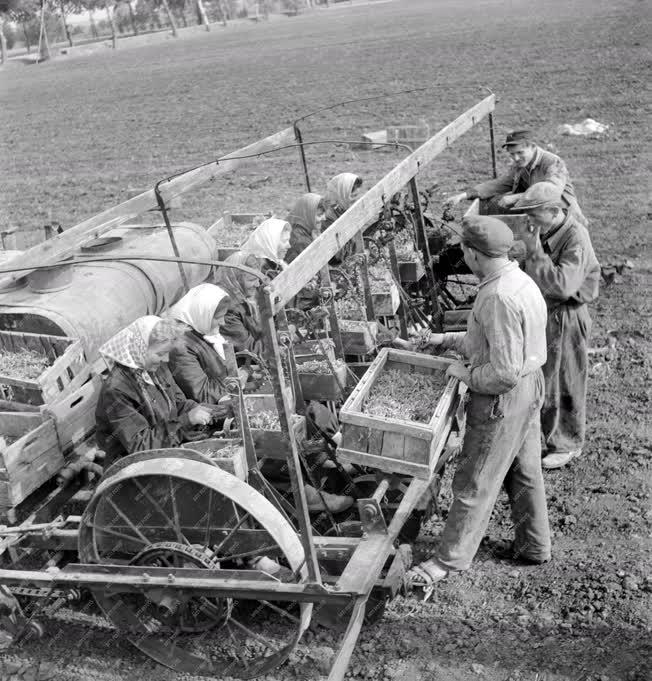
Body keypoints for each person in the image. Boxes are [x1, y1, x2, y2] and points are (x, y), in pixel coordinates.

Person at [404, 215, 551, 587]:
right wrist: (441, 341)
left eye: (463, 250)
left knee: (475, 480)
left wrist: (463, 374)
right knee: (524, 469)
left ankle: (448, 561)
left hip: (503, 397)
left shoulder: (497, 296)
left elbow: (501, 373)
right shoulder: (516, 280)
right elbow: (490, 341)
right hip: (531, 386)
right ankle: (534, 544)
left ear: (473, 253)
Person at [512, 182, 600, 469]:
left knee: (567, 378)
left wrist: (533, 248)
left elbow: (562, 286)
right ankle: (548, 435)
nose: (529, 220)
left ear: (554, 210)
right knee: (548, 375)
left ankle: (566, 443)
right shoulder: (548, 229)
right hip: (549, 312)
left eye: (533, 214)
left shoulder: (575, 237)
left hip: (567, 315)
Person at [96, 316, 213, 464]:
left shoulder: (156, 369)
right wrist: (186, 420)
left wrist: (205, 411)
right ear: (140, 348)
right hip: (134, 467)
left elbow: (179, 404)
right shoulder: (116, 390)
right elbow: (140, 446)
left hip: (167, 448)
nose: (166, 360)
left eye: (167, 353)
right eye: (160, 354)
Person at [445, 130, 587, 225]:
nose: (516, 158)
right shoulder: (521, 165)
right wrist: (464, 195)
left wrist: (514, 198)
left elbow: (551, 191)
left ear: (533, 147)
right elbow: (502, 183)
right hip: (541, 217)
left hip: (565, 219)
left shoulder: (552, 162)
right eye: (512, 154)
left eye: (520, 153)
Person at [168, 283, 241, 408]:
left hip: (228, 400)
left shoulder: (204, 330)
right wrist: (238, 381)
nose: (223, 323)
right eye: (218, 317)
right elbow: (203, 395)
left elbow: (223, 372)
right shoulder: (181, 347)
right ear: (203, 313)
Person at [213, 252, 266, 357]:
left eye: (257, 279)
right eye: (251, 280)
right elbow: (250, 350)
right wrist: (279, 342)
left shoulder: (243, 298)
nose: (257, 284)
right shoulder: (226, 309)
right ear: (235, 278)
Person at [285, 192, 326, 263]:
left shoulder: (306, 228)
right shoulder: (300, 242)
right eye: (319, 215)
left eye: (323, 214)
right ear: (308, 215)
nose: (324, 218)